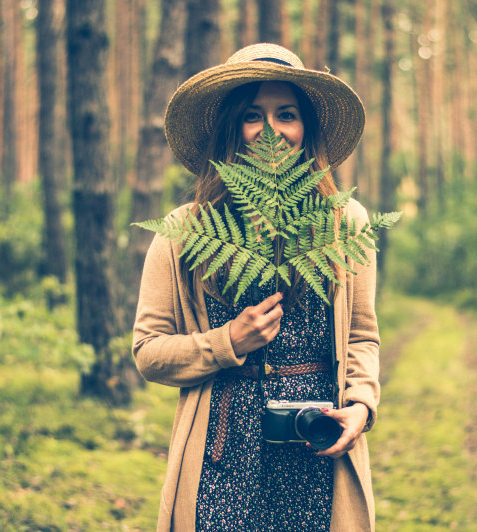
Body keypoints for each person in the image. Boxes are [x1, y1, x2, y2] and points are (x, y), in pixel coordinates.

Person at [133, 43, 380, 531]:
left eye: (286, 114)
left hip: (316, 442)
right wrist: (227, 342)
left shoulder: (344, 223)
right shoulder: (186, 229)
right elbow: (148, 351)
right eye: (252, 115)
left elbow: (361, 336)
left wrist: (361, 405)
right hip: (221, 454)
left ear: (306, 126)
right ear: (231, 128)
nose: (271, 130)